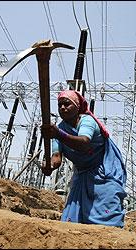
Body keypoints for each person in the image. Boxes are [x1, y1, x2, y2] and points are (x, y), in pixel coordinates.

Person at [41, 89, 127, 228]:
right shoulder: (59, 130)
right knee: (72, 221)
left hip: (103, 173)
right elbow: (56, 158)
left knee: (107, 215)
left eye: (67, 104)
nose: (62, 107)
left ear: (77, 106)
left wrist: (58, 135)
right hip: (82, 175)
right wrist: (48, 166)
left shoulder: (87, 121)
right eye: (60, 105)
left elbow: (84, 143)